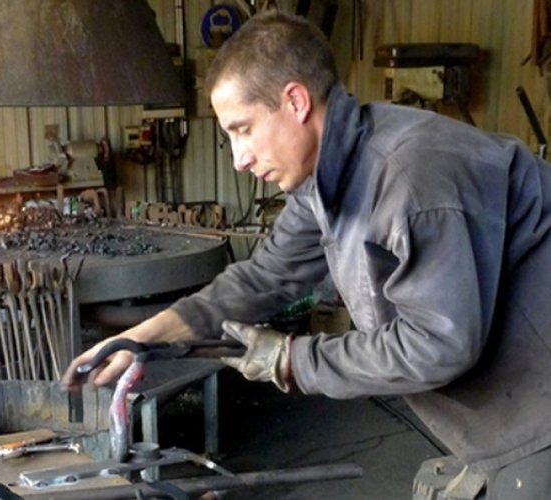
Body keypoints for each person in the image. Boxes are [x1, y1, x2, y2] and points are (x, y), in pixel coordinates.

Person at [62, 10, 551, 499]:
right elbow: (265, 277)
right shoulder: (326, 176)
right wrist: (139, 339)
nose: (238, 158)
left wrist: (293, 359)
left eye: (243, 129)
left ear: (295, 101)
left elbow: (439, 346)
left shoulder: (409, 178)